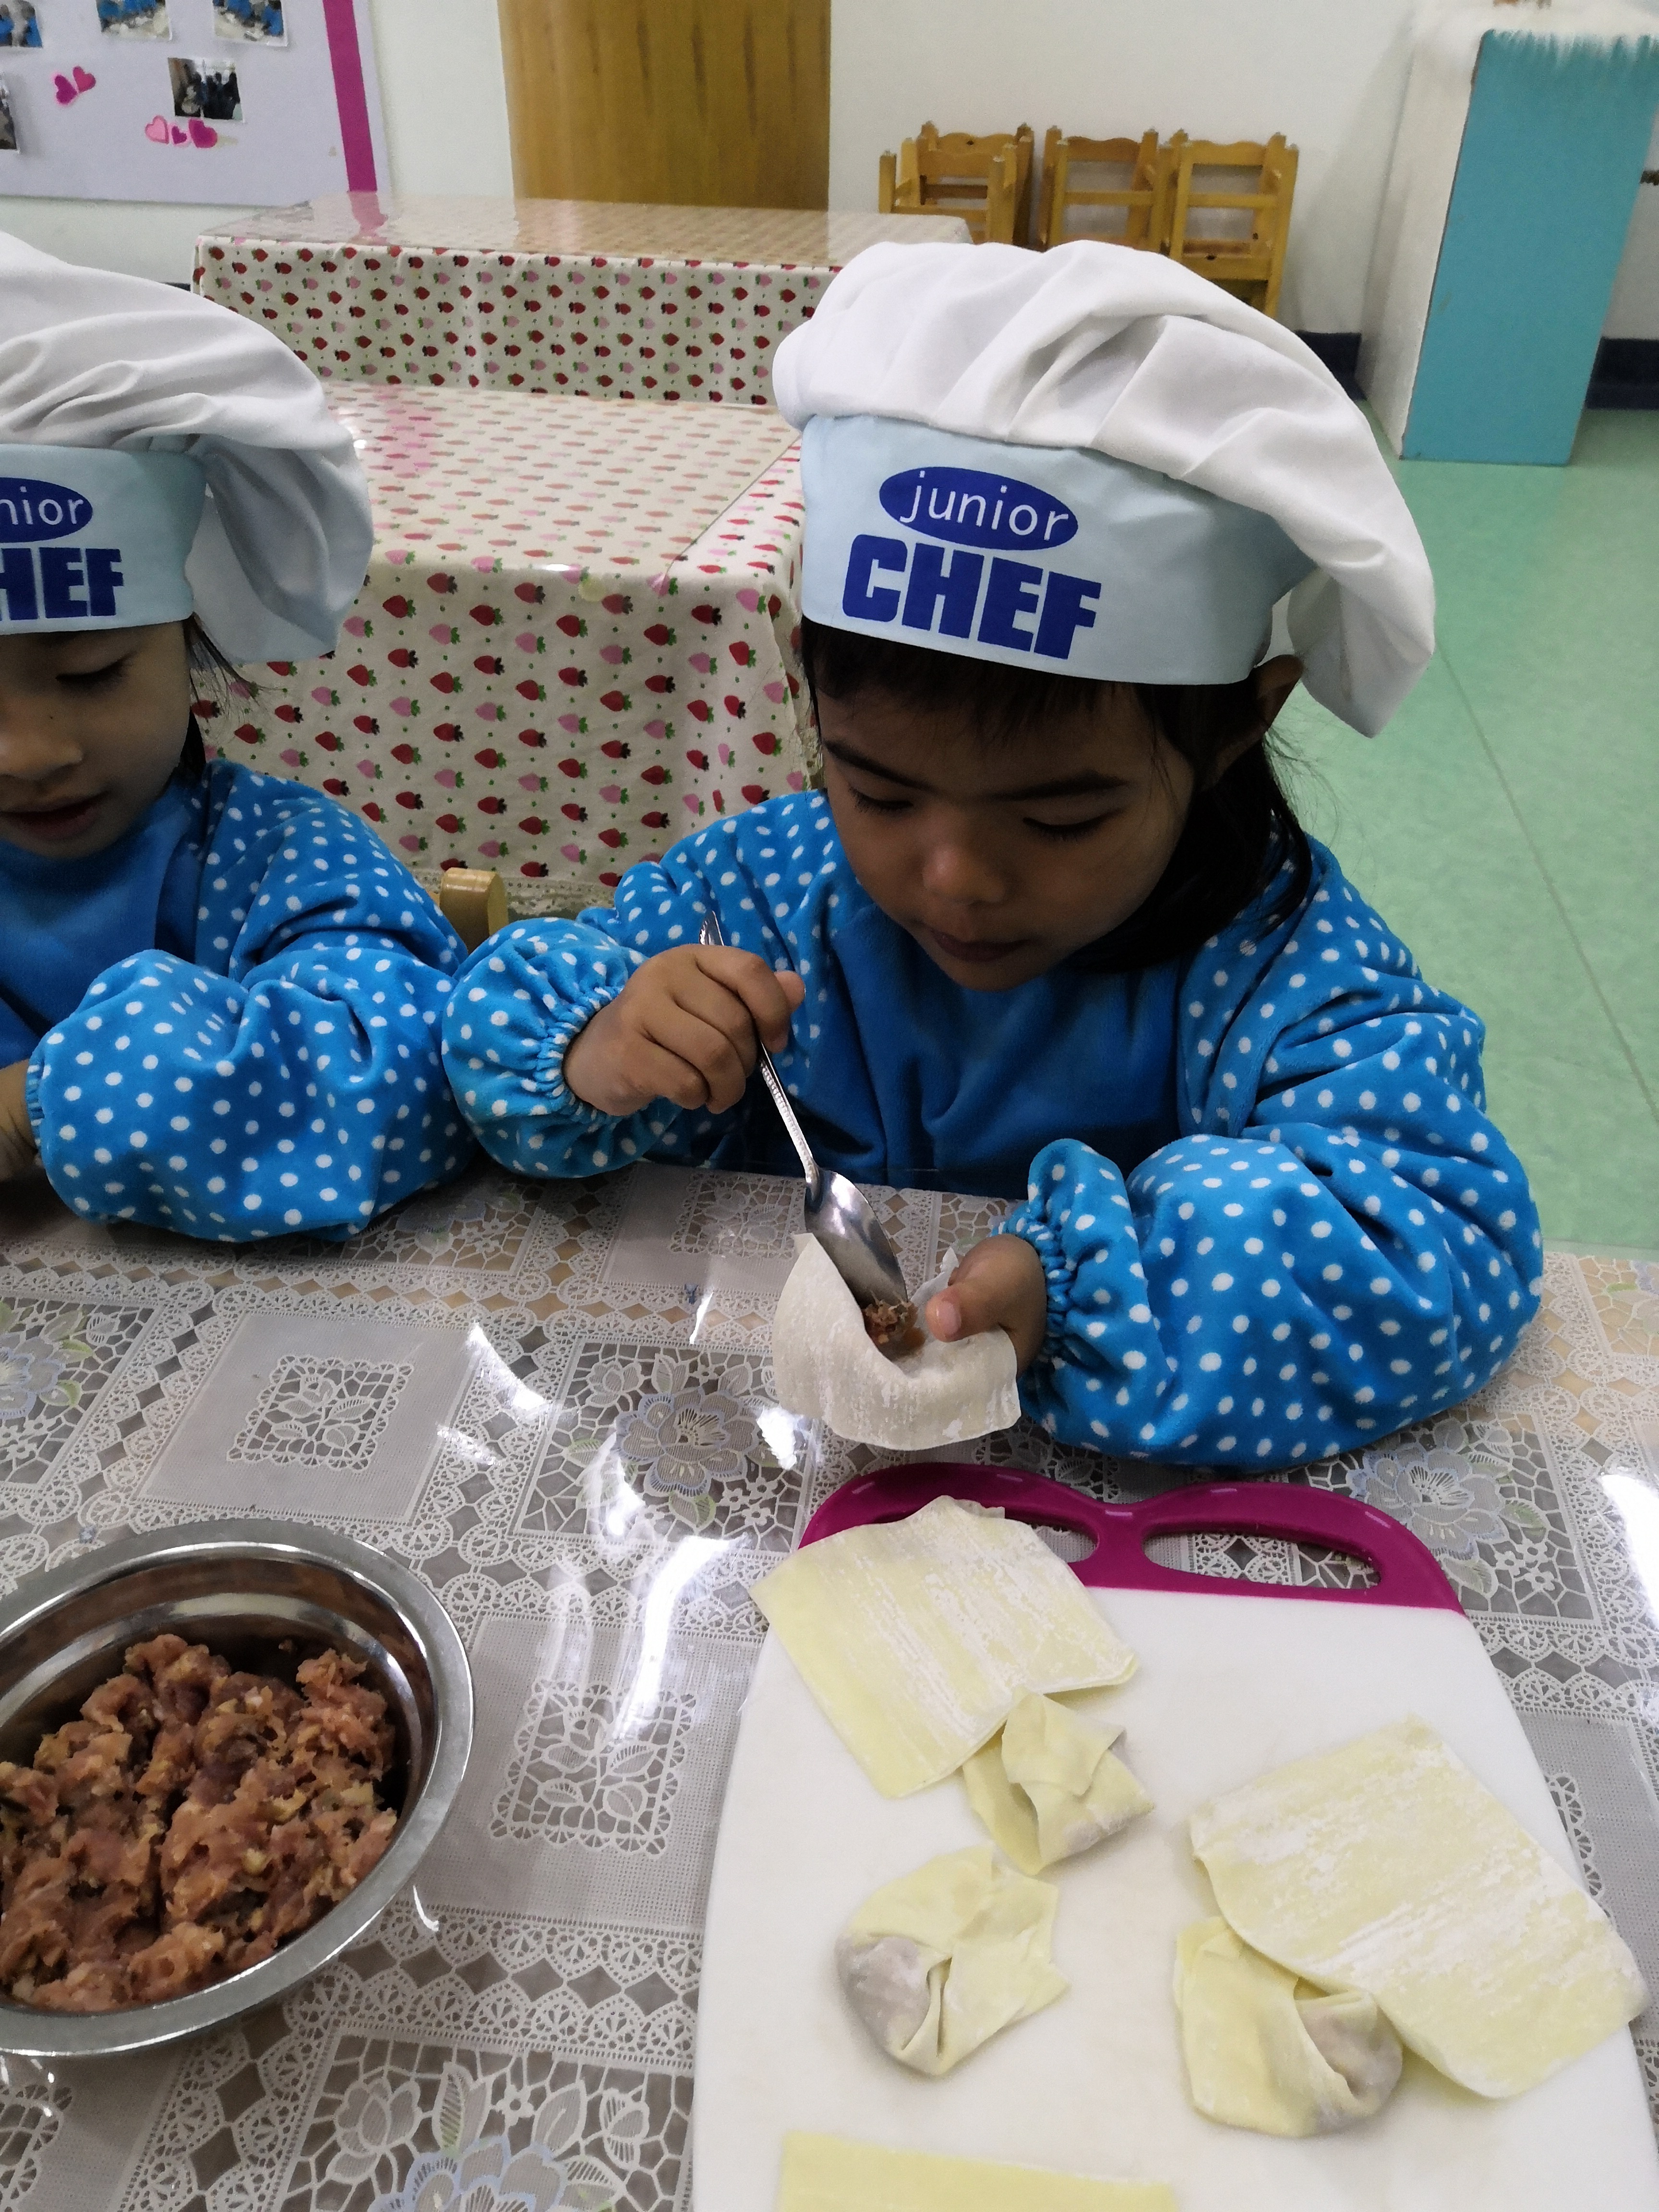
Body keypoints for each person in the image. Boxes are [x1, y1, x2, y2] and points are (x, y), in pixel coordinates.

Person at [443, 243, 1541, 1469]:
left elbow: (1435, 1239)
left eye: (1060, 820)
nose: (955, 877)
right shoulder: (759, 893)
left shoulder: (1282, 967)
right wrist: (596, 1047)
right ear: (811, 695)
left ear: (1237, 728)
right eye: (880, 791)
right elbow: (492, 1034)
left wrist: (1074, 1291)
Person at [0, 230, 470, 1240]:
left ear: (191, 641)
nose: (31, 754)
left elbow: (403, 1083)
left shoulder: (281, 861)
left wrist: (38, 1106)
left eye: (92, 674)